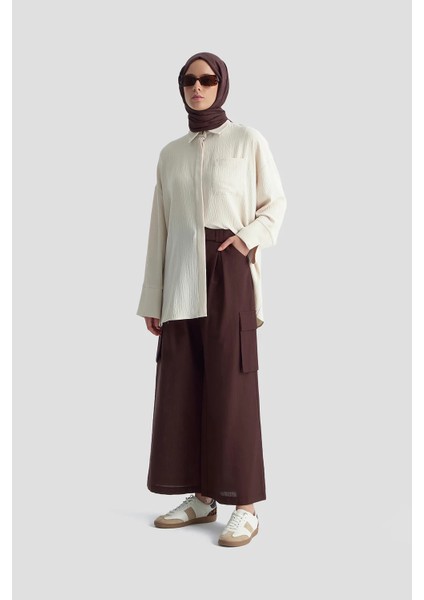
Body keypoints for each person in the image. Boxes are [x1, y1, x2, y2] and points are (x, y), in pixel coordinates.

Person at [136, 51, 287, 547]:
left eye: (206, 79)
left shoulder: (247, 141)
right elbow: (159, 228)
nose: (197, 87)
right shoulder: (170, 154)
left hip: (229, 270)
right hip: (181, 274)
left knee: (233, 386)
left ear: (222, 84)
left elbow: (275, 203)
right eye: (188, 80)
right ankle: (201, 498)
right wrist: (153, 297)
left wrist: (245, 240)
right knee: (183, 383)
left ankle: (245, 506)